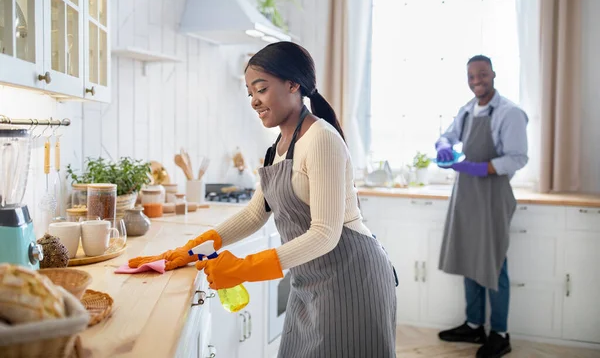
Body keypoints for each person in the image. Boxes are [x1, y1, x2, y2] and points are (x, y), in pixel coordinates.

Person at [129, 41, 397, 358]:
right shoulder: (277, 148)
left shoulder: (321, 139)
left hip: (351, 280)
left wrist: (244, 267)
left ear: (293, 84)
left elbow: (325, 233)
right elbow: (254, 215)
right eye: (250, 94)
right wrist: (188, 251)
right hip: (309, 282)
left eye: (262, 89)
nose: (255, 101)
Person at [435, 55, 528, 358]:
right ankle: (474, 325)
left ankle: (500, 334)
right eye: (472, 77)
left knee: (493, 262)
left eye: (482, 75)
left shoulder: (510, 113)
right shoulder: (467, 109)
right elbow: (448, 135)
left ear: (493, 75)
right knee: (470, 258)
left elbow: (518, 157)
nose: (477, 81)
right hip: (467, 195)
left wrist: (477, 168)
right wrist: (444, 147)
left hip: (492, 195)